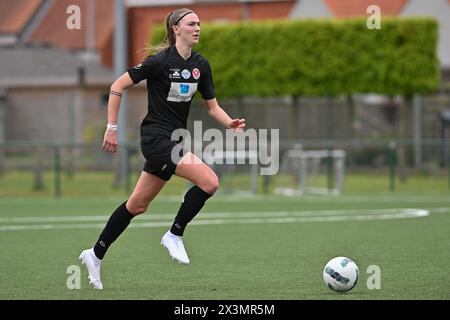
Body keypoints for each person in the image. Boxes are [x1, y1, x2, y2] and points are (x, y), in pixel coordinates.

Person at [79, 8, 245, 289]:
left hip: (175, 141)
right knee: (210, 181)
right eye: (191, 23)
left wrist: (229, 123)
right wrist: (111, 127)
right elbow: (118, 85)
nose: (198, 28)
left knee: (137, 205)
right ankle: (174, 235)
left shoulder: (200, 65)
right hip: (156, 140)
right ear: (175, 29)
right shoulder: (159, 62)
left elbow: (212, 106)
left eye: (199, 24)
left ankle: (94, 254)